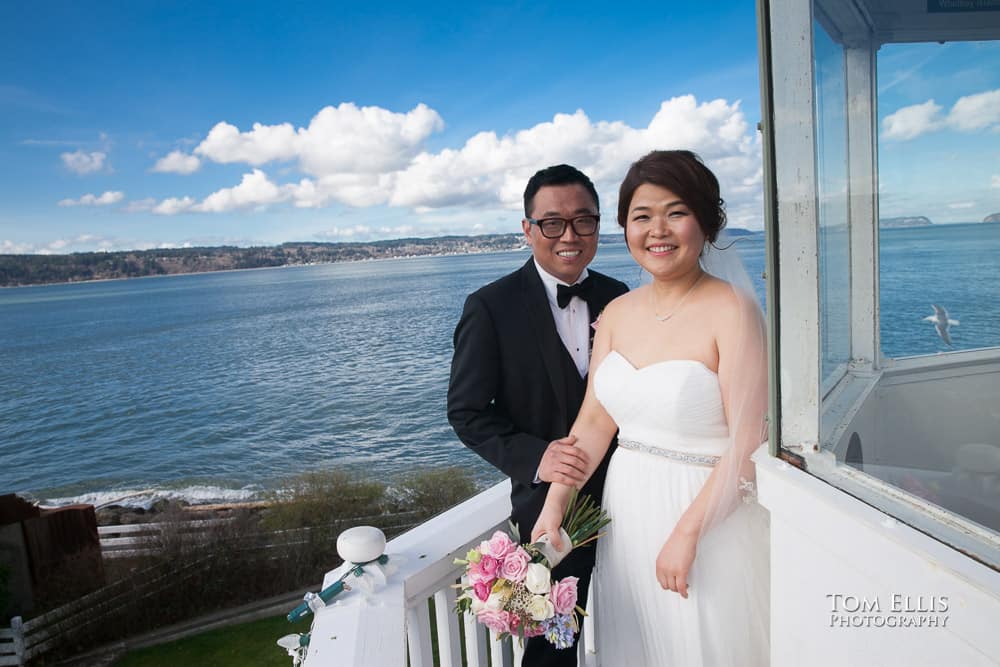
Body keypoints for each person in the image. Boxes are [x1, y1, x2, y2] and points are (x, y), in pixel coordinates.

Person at [531, 150, 770, 665]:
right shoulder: (617, 312)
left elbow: (748, 441)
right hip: (627, 513)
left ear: (706, 222)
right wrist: (554, 509)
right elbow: (593, 423)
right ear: (625, 228)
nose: (657, 230)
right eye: (641, 216)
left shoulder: (733, 311)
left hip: (707, 515)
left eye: (676, 212)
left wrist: (687, 534)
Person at [448, 164, 628, 666]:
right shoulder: (490, 307)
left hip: (636, 498)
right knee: (551, 652)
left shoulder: (622, 299)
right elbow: (466, 413)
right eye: (552, 222)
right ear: (527, 229)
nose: (569, 235)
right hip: (550, 515)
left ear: (597, 226)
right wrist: (537, 458)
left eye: (583, 220)